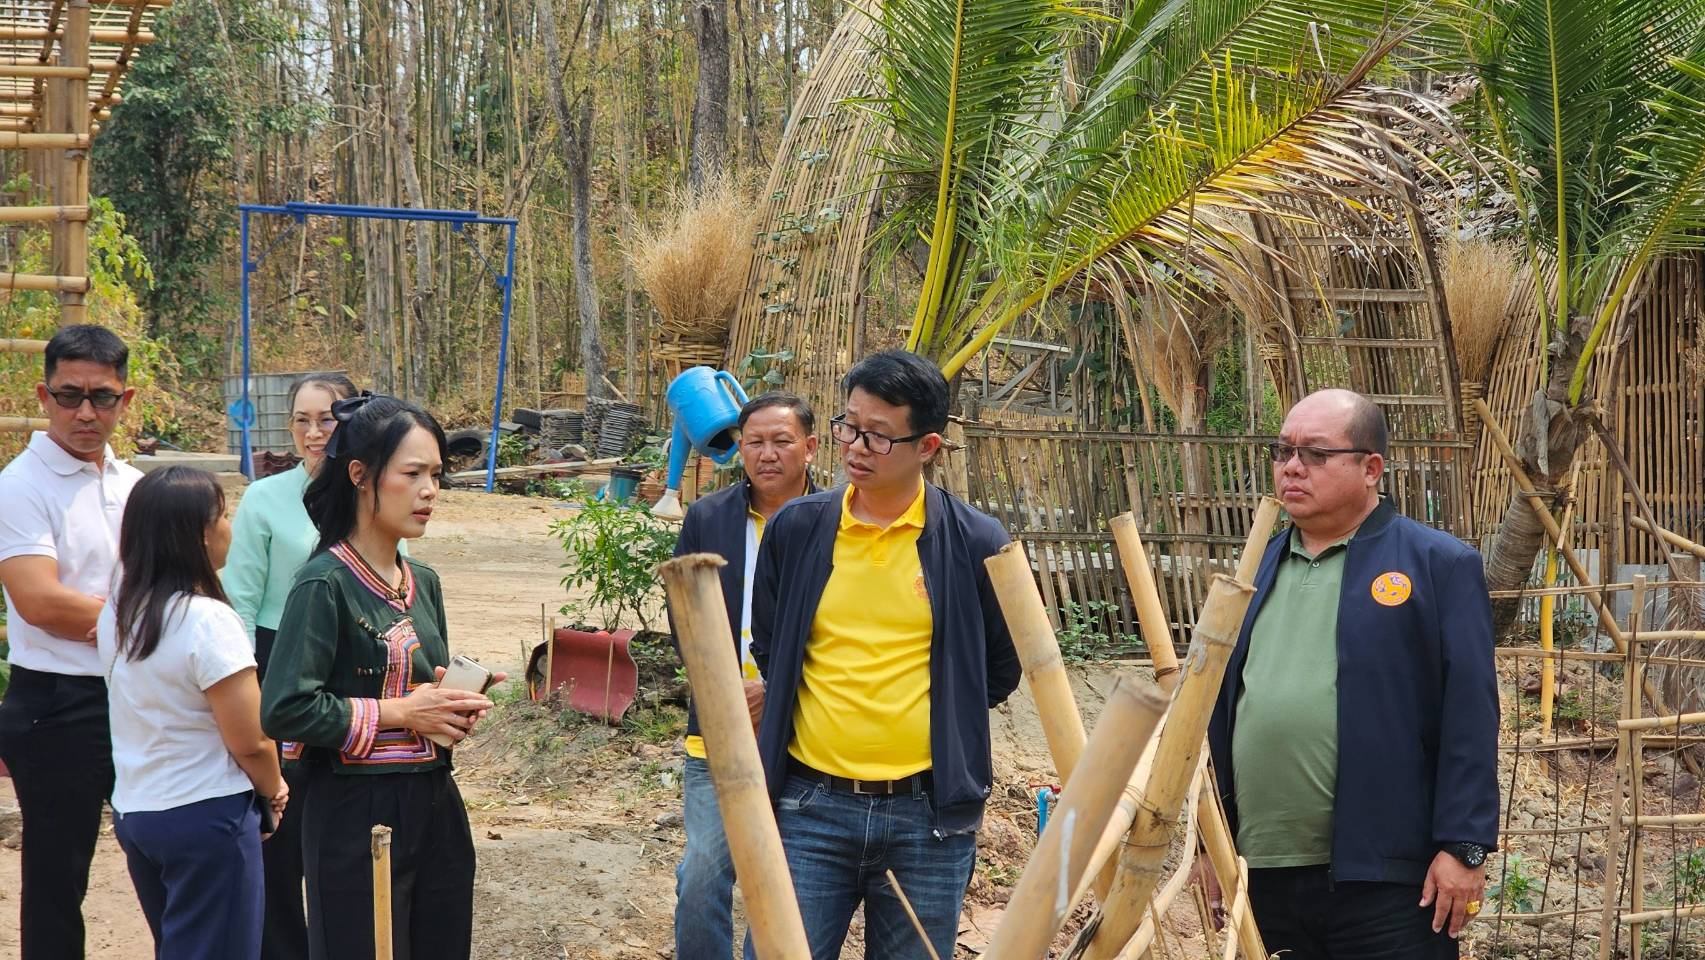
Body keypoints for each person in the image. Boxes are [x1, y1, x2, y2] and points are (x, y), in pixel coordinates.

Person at [745, 350, 1020, 960]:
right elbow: (774, 640)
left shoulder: (976, 541)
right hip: (808, 807)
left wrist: (943, 718)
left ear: (928, 447)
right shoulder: (799, 529)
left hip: (929, 816)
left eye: (877, 435)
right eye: (848, 425)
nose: (856, 446)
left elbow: (999, 666)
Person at [1206, 388, 1499, 959]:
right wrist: (1209, 845)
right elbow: (1217, 714)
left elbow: (1471, 714)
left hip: (1389, 880)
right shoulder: (1254, 567)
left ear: (1371, 468)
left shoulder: (1437, 565)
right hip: (1262, 872)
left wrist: (1464, 846)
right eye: (1283, 450)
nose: (1292, 466)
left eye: (1315, 453)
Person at [261, 394, 504, 960]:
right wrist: (399, 712)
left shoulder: (427, 582)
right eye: (413, 473)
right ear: (361, 476)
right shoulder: (324, 584)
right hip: (353, 815)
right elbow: (284, 708)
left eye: (437, 475)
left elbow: (419, 688)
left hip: (435, 803)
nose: (429, 491)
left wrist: (448, 707)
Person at [96, 466, 289, 960]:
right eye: (224, 516)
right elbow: (250, 739)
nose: (230, 527)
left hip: (139, 812)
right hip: (207, 814)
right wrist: (274, 787)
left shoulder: (118, 612)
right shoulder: (207, 620)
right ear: (201, 534)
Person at [0, 324, 142, 960]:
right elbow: (40, 601)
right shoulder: (18, 486)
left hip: (136, 691)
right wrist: (156, 627)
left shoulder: (135, 485)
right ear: (43, 395)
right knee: (58, 877)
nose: (86, 411)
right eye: (69, 395)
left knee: (169, 849)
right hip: (57, 703)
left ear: (126, 399)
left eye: (102, 397)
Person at [668, 392, 819, 959]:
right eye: (754, 442)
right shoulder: (710, 516)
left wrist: (777, 691)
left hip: (804, 732)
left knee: (783, 882)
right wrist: (724, 693)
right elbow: (683, 616)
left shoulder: (836, 518)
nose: (767, 454)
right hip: (718, 730)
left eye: (782, 441)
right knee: (702, 873)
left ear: (810, 446)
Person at [222, 372, 359, 960]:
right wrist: (246, 686)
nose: (312, 432)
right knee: (280, 819)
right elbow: (241, 600)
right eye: (300, 420)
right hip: (278, 660)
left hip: (353, 663)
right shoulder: (265, 498)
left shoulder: (369, 491)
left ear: (349, 422)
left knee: (346, 823)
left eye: (326, 419)